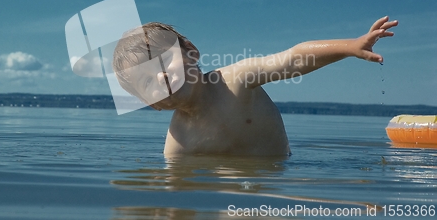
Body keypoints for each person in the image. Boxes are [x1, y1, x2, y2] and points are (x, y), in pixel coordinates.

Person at [112, 16, 398, 156]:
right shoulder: (177, 144)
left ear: (191, 53)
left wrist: (350, 46)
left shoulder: (236, 79)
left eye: (163, 63)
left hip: (280, 175)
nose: (162, 78)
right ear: (152, 104)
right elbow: (178, 193)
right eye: (148, 81)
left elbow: (293, 59)